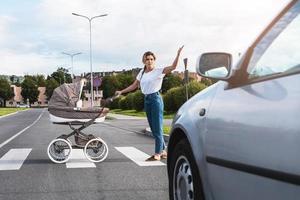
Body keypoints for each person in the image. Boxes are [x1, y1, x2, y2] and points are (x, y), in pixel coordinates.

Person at [115, 46, 184, 161]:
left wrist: (177, 54)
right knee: (153, 128)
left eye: (152, 59)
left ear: (154, 60)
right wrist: (121, 92)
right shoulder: (142, 73)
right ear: (144, 61)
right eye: (147, 59)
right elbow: (134, 85)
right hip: (147, 100)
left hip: (156, 99)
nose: (150, 61)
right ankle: (163, 151)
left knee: (157, 127)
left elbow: (173, 67)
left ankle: (157, 153)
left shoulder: (159, 71)